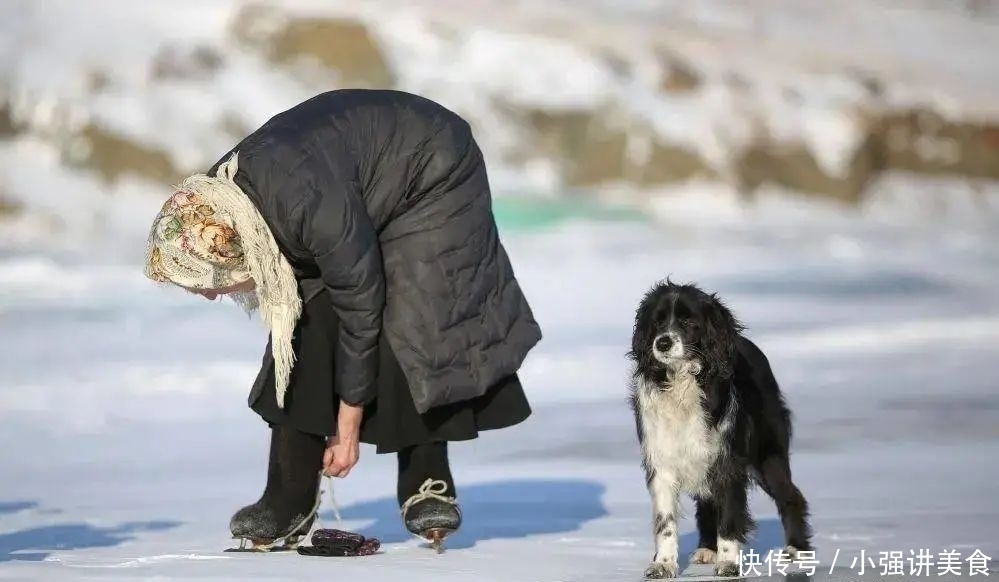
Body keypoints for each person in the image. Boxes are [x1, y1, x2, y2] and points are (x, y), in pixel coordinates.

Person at [143, 89, 542, 552]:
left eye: (207, 284)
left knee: (418, 313)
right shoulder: (216, 202)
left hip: (435, 167)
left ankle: (426, 475)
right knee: (301, 320)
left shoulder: (305, 207)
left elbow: (360, 307)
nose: (212, 295)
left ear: (229, 251)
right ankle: (288, 493)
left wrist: (347, 426)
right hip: (350, 182)